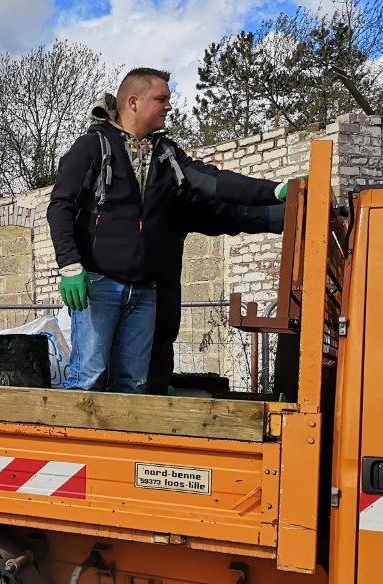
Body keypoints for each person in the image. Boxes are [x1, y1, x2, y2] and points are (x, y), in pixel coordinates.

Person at [47, 68, 286, 392]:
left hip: (145, 291)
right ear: (133, 102)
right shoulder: (94, 147)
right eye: (161, 99)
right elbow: (60, 205)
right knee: (89, 376)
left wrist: (274, 191)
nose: (169, 106)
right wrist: (70, 265)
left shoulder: (165, 155)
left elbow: (212, 182)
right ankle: (78, 444)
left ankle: (123, 444)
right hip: (99, 283)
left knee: (132, 382)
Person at [146, 200, 285, 394]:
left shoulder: (169, 194)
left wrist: (281, 210)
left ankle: (154, 386)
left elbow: (224, 212)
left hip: (160, 309)